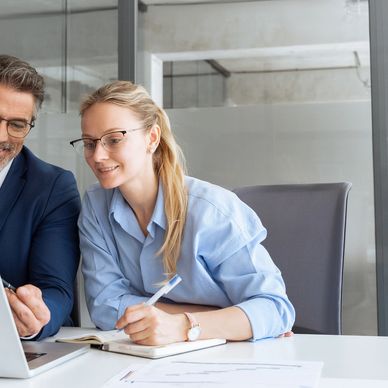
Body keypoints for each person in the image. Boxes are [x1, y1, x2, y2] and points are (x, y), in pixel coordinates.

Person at [72, 80, 295, 345]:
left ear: (151, 138)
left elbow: (275, 309)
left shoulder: (210, 210)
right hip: (150, 357)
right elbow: (106, 308)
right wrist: (220, 318)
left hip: (231, 358)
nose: (97, 155)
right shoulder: (96, 207)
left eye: (114, 139)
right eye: (89, 142)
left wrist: (183, 326)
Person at [0, 55, 81, 339]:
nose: (2, 136)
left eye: (17, 125)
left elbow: (56, 290)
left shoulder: (52, 188)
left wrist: (34, 320)